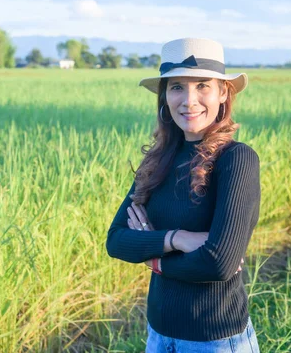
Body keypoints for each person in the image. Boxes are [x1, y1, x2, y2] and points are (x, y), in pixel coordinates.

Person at [105, 38, 261, 352]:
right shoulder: (159, 161)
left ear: (222, 93)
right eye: (177, 87)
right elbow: (116, 240)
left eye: (202, 85)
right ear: (164, 97)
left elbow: (219, 263)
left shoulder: (236, 159)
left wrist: (152, 255)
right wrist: (176, 239)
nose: (189, 100)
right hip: (159, 335)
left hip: (214, 339)